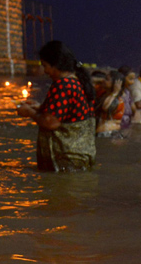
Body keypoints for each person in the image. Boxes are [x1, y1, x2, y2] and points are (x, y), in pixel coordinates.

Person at [17, 40, 95, 171]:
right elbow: (70, 113)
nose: (45, 70)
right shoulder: (78, 81)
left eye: (45, 65)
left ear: (56, 64)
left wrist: (29, 113)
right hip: (80, 157)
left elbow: (51, 122)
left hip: (65, 159)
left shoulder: (63, 85)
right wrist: (41, 107)